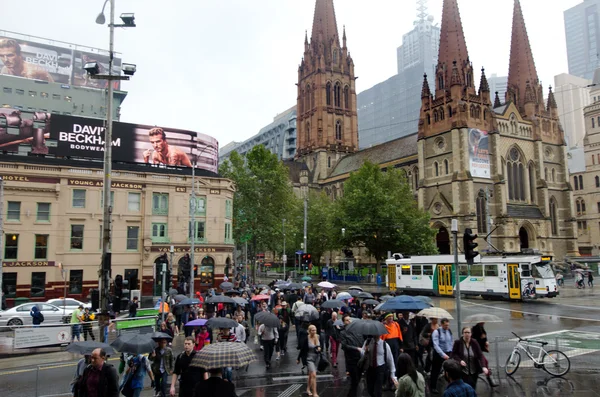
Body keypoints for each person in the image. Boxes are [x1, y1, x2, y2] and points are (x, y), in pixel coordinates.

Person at [340, 314, 363, 397]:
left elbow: (361, 340)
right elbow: (344, 346)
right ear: (343, 322)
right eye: (347, 320)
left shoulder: (357, 330)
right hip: (351, 360)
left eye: (349, 319)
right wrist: (356, 348)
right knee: (355, 381)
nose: (349, 321)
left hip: (359, 358)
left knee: (357, 380)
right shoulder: (343, 332)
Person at [430, 318, 453, 394]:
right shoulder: (437, 332)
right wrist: (443, 355)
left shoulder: (449, 331)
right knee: (435, 370)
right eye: (446, 325)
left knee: (449, 370)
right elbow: (436, 345)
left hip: (448, 353)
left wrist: (451, 352)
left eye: (448, 325)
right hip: (439, 354)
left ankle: (450, 385)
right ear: (442, 324)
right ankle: (433, 387)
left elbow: (450, 342)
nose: (447, 327)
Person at [302, 324, 322, 397]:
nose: (314, 331)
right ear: (309, 331)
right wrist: (298, 358)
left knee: (311, 375)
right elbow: (302, 349)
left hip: (317, 357)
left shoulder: (318, 336)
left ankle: (308, 389)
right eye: (313, 330)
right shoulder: (306, 338)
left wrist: (319, 348)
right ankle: (315, 393)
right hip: (309, 358)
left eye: (315, 330)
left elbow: (320, 345)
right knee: (314, 374)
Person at [381, 313, 403, 378]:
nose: (391, 318)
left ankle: (394, 377)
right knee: (387, 362)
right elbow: (381, 338)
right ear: (386, 318)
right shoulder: (383, 326)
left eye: (392, 316)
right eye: (389, 316)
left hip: (395, 345)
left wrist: (401, 346)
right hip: (387, 345)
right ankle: (387, 378)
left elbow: (400, 335)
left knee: (395, 361)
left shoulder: (396, 325)